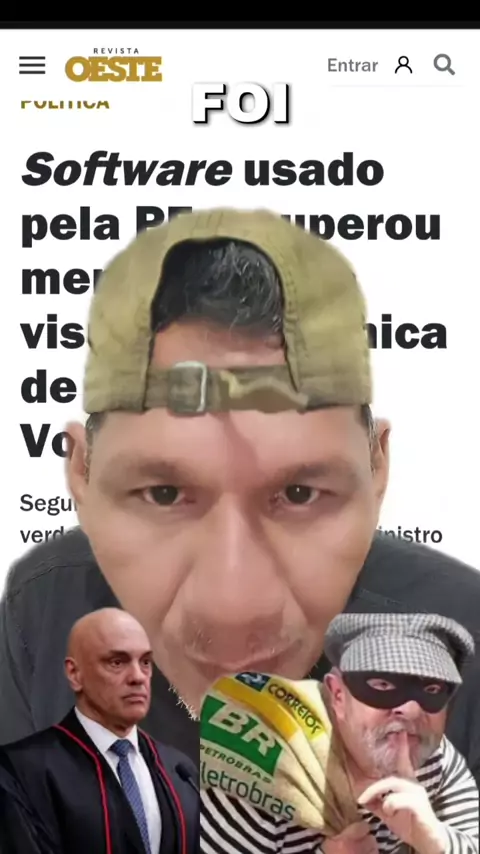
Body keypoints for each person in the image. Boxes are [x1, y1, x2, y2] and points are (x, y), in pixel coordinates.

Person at [1, 208, 480, 773]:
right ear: (81, 473)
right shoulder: (42, 612)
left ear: (377, 469)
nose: (233, 608)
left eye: (299, 493)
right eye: (162, 494)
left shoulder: (465, 647)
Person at [200, 613, 479, 854]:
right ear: (338, 695)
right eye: (383, 685)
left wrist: (435, 840)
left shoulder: (432, 759)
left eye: (431, 690)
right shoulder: (265, 774)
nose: (410, 709)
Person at [0, 608, 199, 854]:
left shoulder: (179, 770)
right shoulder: (22, 769)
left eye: (145, 662)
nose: (138, 677)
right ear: (75, 674)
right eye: (117, 662)